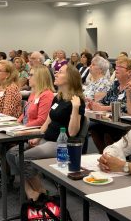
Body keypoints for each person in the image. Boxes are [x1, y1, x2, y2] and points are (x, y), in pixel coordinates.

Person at [7, 64, 85, 201]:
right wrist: (37, 137)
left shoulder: (77, 101)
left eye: (60, 72)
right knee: (11, 153)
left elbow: (72, 133)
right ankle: (32, 191)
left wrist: (75, 108)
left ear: (70, 78)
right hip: (46, 139)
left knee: (23, 157)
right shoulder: (58, 97)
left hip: (61, 144)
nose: (56, 74)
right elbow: (47, 122)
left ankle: (39, 191)